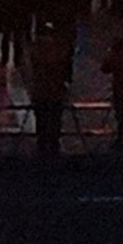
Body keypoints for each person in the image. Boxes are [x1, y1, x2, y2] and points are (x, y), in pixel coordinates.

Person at [29, 22, 71, 156]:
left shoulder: (36, 50)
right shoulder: (59, 50)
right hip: (55, 91)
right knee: (55, 118)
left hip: (40, 91)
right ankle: (54, 143)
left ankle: (42, 143)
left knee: (41, 118)